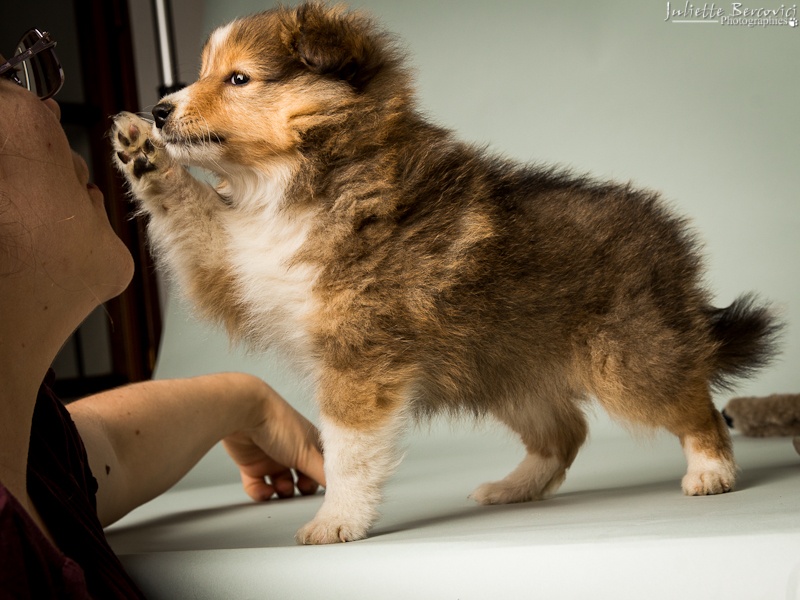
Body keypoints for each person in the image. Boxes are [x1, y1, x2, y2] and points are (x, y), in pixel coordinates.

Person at [0, 29, 326, 599]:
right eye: (9, 76)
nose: (48, 102)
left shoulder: (30, 450)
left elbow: (108, 452)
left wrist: (245, 401)